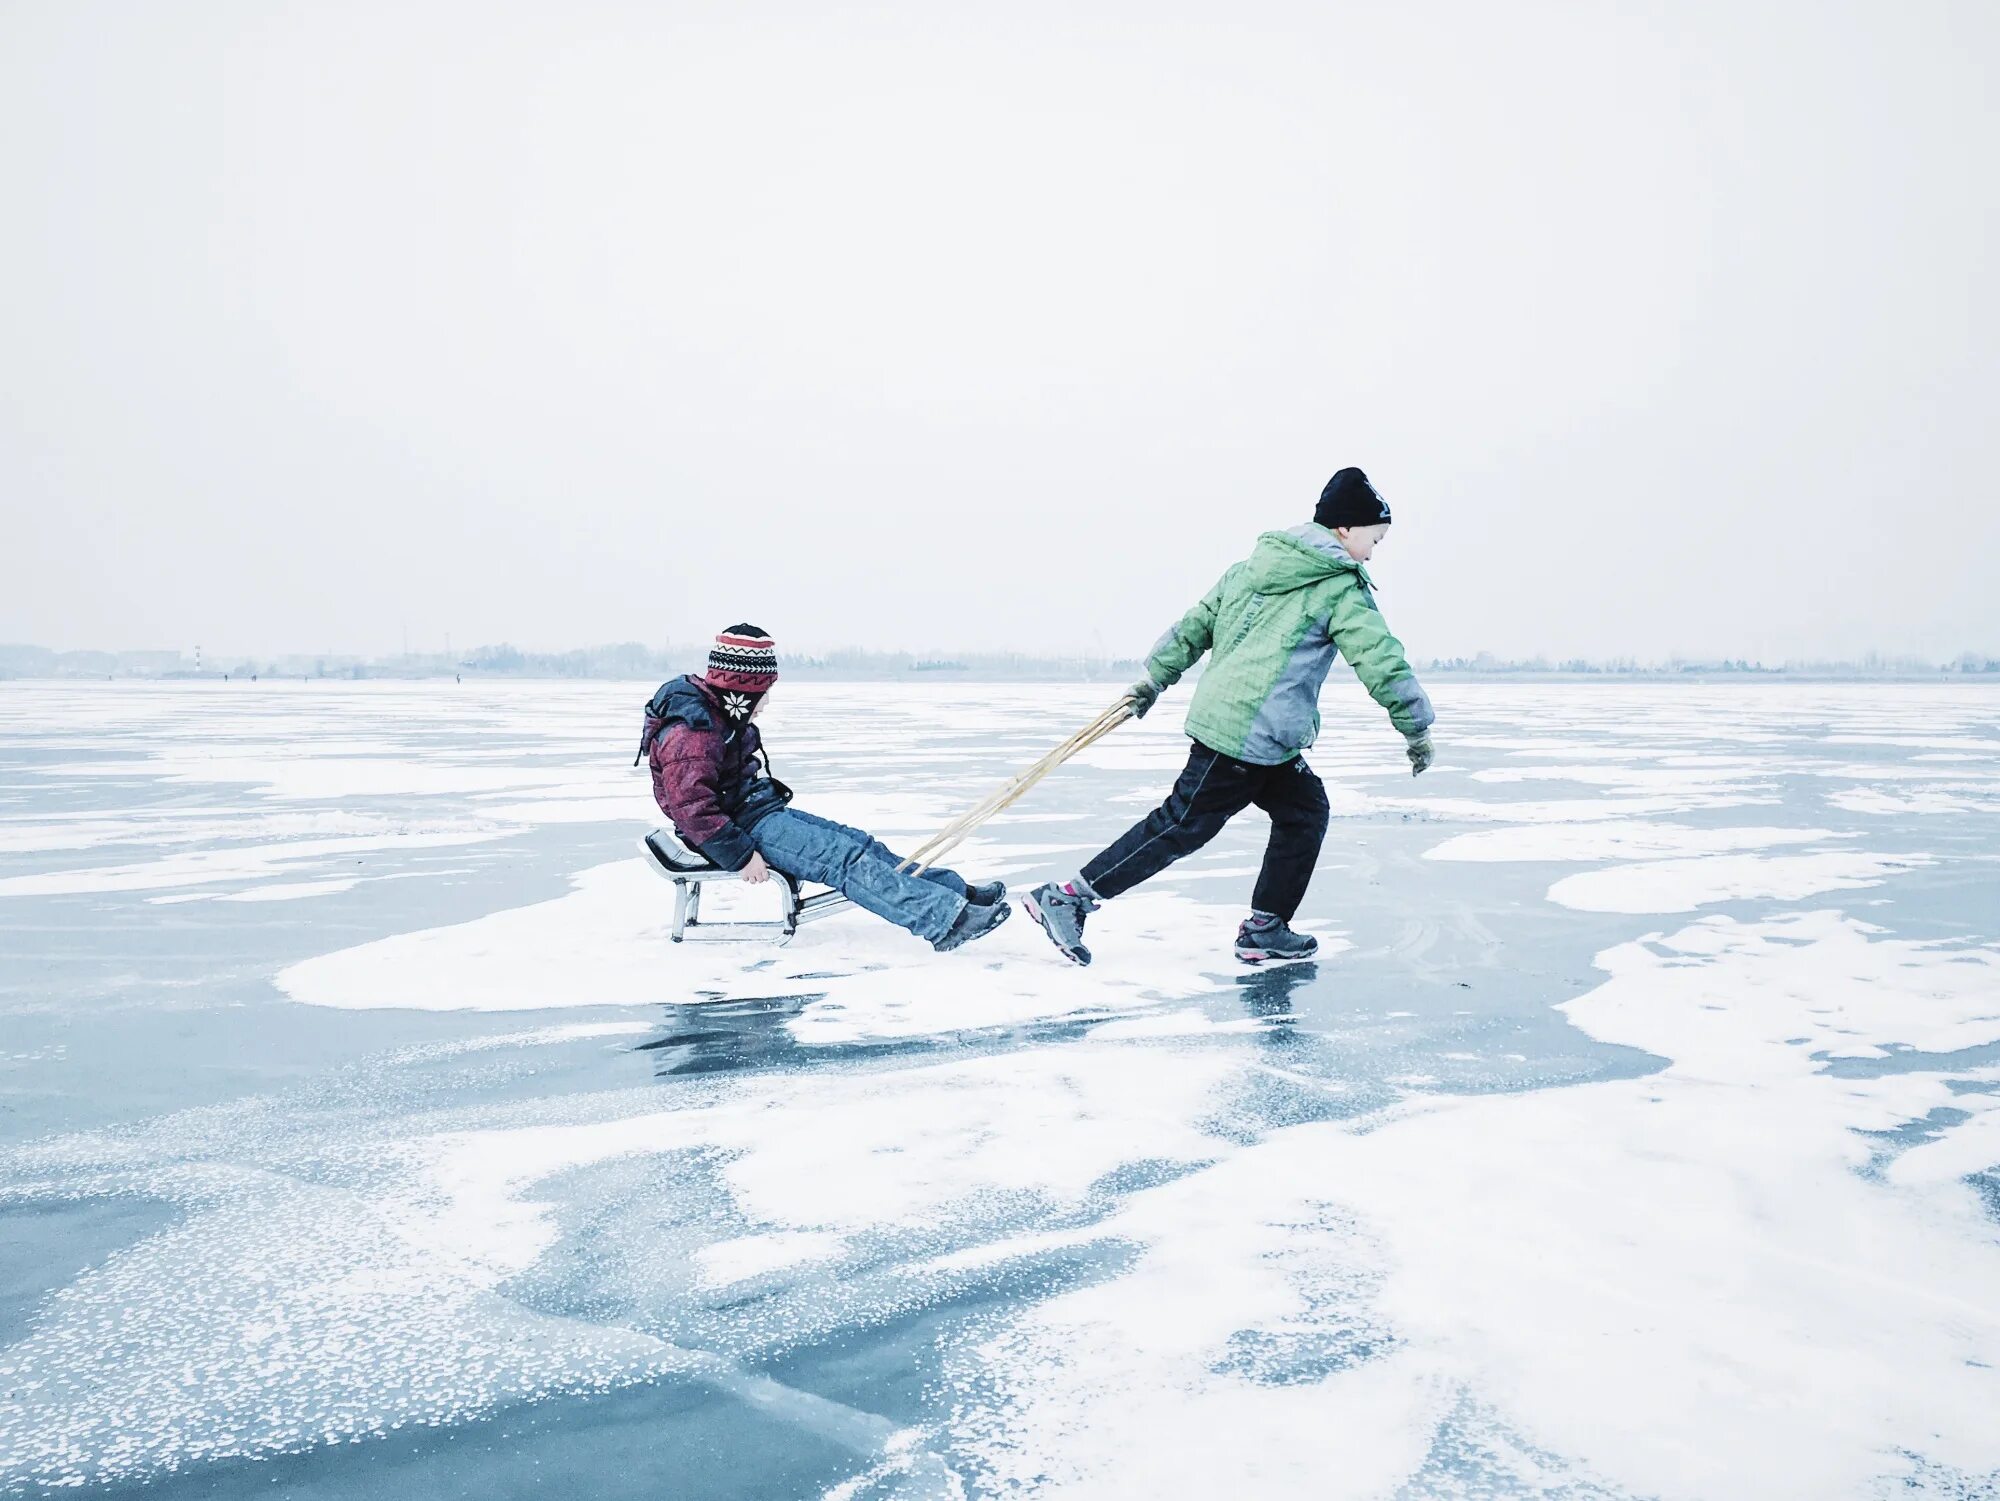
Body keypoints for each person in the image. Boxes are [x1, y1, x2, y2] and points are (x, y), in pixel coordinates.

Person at [1024, 468, 1435, 967]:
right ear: (1345, 529)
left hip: (1268, 739)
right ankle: (1069, 897)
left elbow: (1193, 625)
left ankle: (1265, 927)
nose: (1372, 553)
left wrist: (1156, 677)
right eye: (1374, 539)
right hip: (1240, 738)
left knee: (1305, 812)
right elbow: (1380, 659)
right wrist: (1415, 727)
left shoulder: (1250, 569)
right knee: (1180, 825)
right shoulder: (1339, 590)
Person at [641, 625, 1012, 951]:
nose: (766, 704)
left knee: (861, 844)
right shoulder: (692, 730)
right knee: (843, 860)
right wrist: (739, 856)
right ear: (741, 689)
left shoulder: (718, 713)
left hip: (753, 812)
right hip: (736, 829)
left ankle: (951, 893)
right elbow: (691, 807)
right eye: (762, 694)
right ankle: (945, 921)